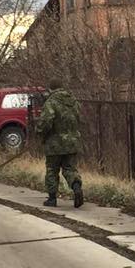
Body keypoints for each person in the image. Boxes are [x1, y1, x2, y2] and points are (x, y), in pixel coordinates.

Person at [36, 78, 83, 208]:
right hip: (73, 141)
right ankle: (76, 187)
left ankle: (52, 198)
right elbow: (80, 117)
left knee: (52, 170)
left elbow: (46, 121)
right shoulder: (73, 101)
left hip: (55, 143)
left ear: (51, 89)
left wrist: (40, 132)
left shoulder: (51, 102)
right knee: (69, 168)